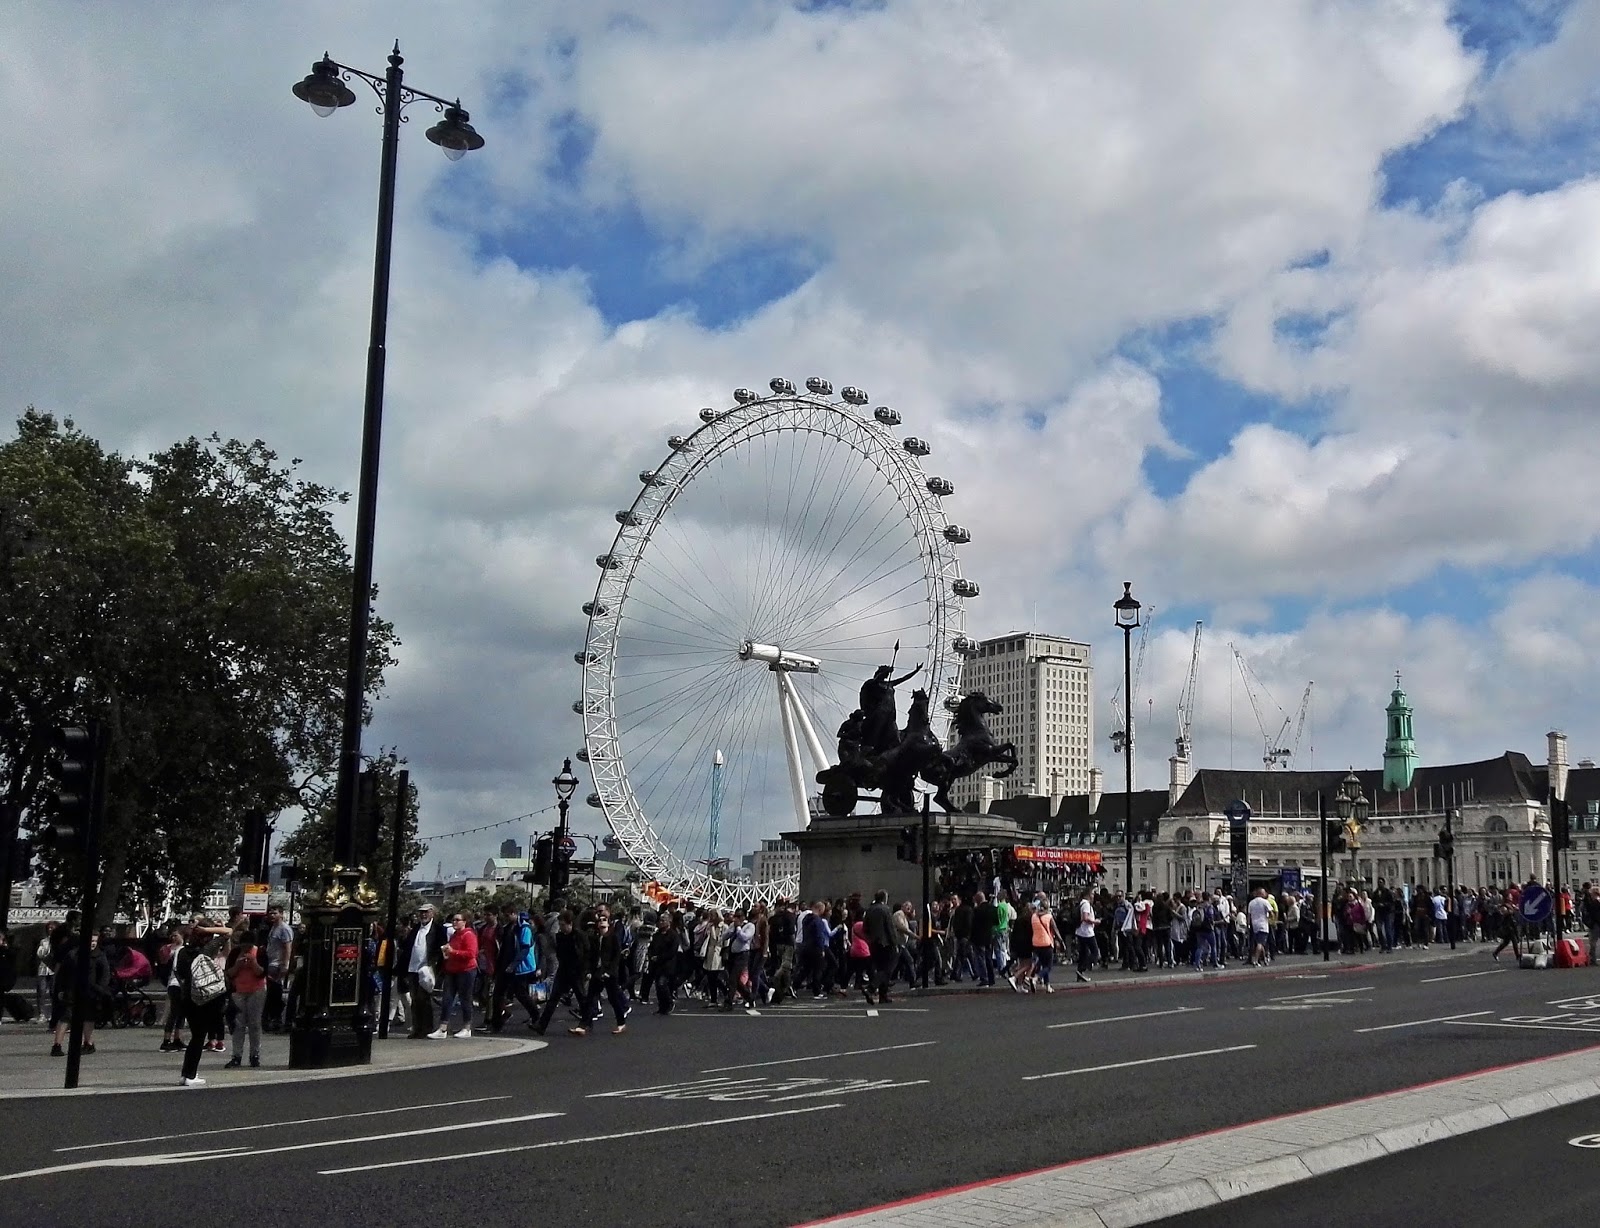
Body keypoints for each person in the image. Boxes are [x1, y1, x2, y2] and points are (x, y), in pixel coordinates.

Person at [173, 916, 230, 1087]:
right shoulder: (206, 950)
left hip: (187, 997)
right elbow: (228, 932)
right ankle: (190, 1074)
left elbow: (179, 973)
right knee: (199, 1037)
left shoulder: (182, 952)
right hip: (204, 997)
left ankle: (187, 1073)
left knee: (195, 1036)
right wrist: (209, 929)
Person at [534, 911, 591, 1036]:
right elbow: (560, 952)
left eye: (563, 925)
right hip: (563, 970)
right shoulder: (560, 937)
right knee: (554, 997)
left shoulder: (579, 936)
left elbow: (587, 953)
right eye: (560, 925)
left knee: (581, 997)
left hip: (577, 971)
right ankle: (541, 1025)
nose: (561, 927)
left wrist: (586, 970)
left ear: (570, 924)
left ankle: (586, 1021)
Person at [431, 911, 478, 1039]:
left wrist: (453, 952)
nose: (454, 922)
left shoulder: (469, 935)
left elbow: (471, 954)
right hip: (452, 970)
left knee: (465, 999)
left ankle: (467, 1027)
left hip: (466, 971)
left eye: (458, 920)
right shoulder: (454, 935)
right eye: (453, 920)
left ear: (464, 922)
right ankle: (442, 1028)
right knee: (447, 998)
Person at [224, 937, 268, 1069]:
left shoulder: (260, 952)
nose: (245, 950)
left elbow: (262, 973)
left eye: (248, 947)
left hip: (256, 990)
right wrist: (237, 965)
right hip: (238, 991)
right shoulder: (235, 953)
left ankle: (255, 1055)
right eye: (243, 947)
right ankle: (236, 1056)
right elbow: (229, 973)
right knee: (238, 1024)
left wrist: (253, 963)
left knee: (255, 1024)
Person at [405, 905, 444, 1038]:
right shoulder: (416, 928)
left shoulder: (438, 929)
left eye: (426, 912)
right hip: (413, 969)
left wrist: (434, 965)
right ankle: (416, 1027)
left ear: (432, 913)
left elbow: (441, 949)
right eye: (421, 912)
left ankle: (426, 1028)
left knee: (424, 998)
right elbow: (408, 947)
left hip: (427, 969)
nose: (423, 915)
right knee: (415, 999)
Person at [262, 906, 294, 1032]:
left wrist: (285, 965)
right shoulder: (273, 928)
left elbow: (287, 948)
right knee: (270, 992)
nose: (272, 915)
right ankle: (271, 1018)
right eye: (270, 913)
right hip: (270, 962)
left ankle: (276, 1018)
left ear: (281, 914)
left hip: (277, 964)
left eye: (274, 913)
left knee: (275, 992)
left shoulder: (284, 929)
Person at [862, 890, 897, 1005]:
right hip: (886, 943)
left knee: (880, 968)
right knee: (887, 970)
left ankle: (883, 995)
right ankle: (871, 988)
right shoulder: (885, 909)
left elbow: (865, 928)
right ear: (884, 898)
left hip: (873, 943)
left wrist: (870, 938)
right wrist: (895, 943)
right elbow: (890, 928)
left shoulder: (869, 910)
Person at [1074, 891, 1099, 984]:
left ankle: (1080, 973)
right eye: (1092, 894)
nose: (1093, 896)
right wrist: (1095, 921)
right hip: (1087, 932)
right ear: (1088, 895)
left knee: (1083, 953)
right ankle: (1083, 968)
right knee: (1095, 952)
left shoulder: (1081, 903)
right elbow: (1085, 918)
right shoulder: (1086, 904)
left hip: (1080, 931)